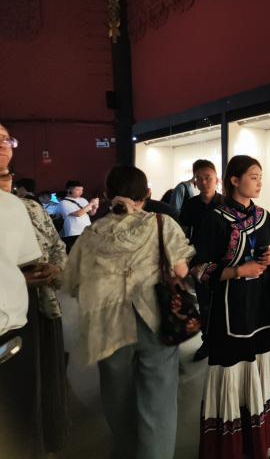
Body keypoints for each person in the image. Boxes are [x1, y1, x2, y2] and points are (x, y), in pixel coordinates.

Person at [63, 166, 194, 459]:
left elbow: (72, 282)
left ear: (107, 194)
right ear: (147, 193)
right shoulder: (161, 224)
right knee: (159, 401)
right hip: (154, 319)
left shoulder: (91, 233)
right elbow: (181, 270)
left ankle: (126, 450)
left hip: (108, 327)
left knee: (117, 397)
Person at [192, 155, 270, 459]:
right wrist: (238, 271)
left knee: (264, 364)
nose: (259, 183)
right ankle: (235, 446)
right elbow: (199, 269)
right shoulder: (214, 219)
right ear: (234, 180)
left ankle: (267, 436)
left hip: (263, 307)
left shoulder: (264, 216)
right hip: (230, 312)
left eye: (261, 177)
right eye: (253, 176)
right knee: (235, 370)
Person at [0, 125, 56, 459]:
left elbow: (21, 265)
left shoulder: (14, 207)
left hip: (14, 330)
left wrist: (43, 273)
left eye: (6, 139)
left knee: (18, 423)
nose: (3, 145)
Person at [179, 159, 224, 362]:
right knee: (204, 304)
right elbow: (183, 233)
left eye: (208, 178)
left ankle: (224, 340)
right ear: (194, 181)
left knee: (224, 302)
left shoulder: (225, 203)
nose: (204, 182)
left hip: (223, 261)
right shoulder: (190, 205)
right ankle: (208, 342)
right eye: (199, 178)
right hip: (199, 263)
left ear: (217, 179)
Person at [60, 180, 98, 252]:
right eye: (77, 190)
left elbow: (91, 213)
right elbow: (78, 214)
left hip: (87, 230)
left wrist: (95, 207)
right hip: (74, 233)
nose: (81, 192)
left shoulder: (83, 200)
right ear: (69, 190)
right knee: (77, 253)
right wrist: (91, 204)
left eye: (82, 190)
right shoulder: (63, 202)